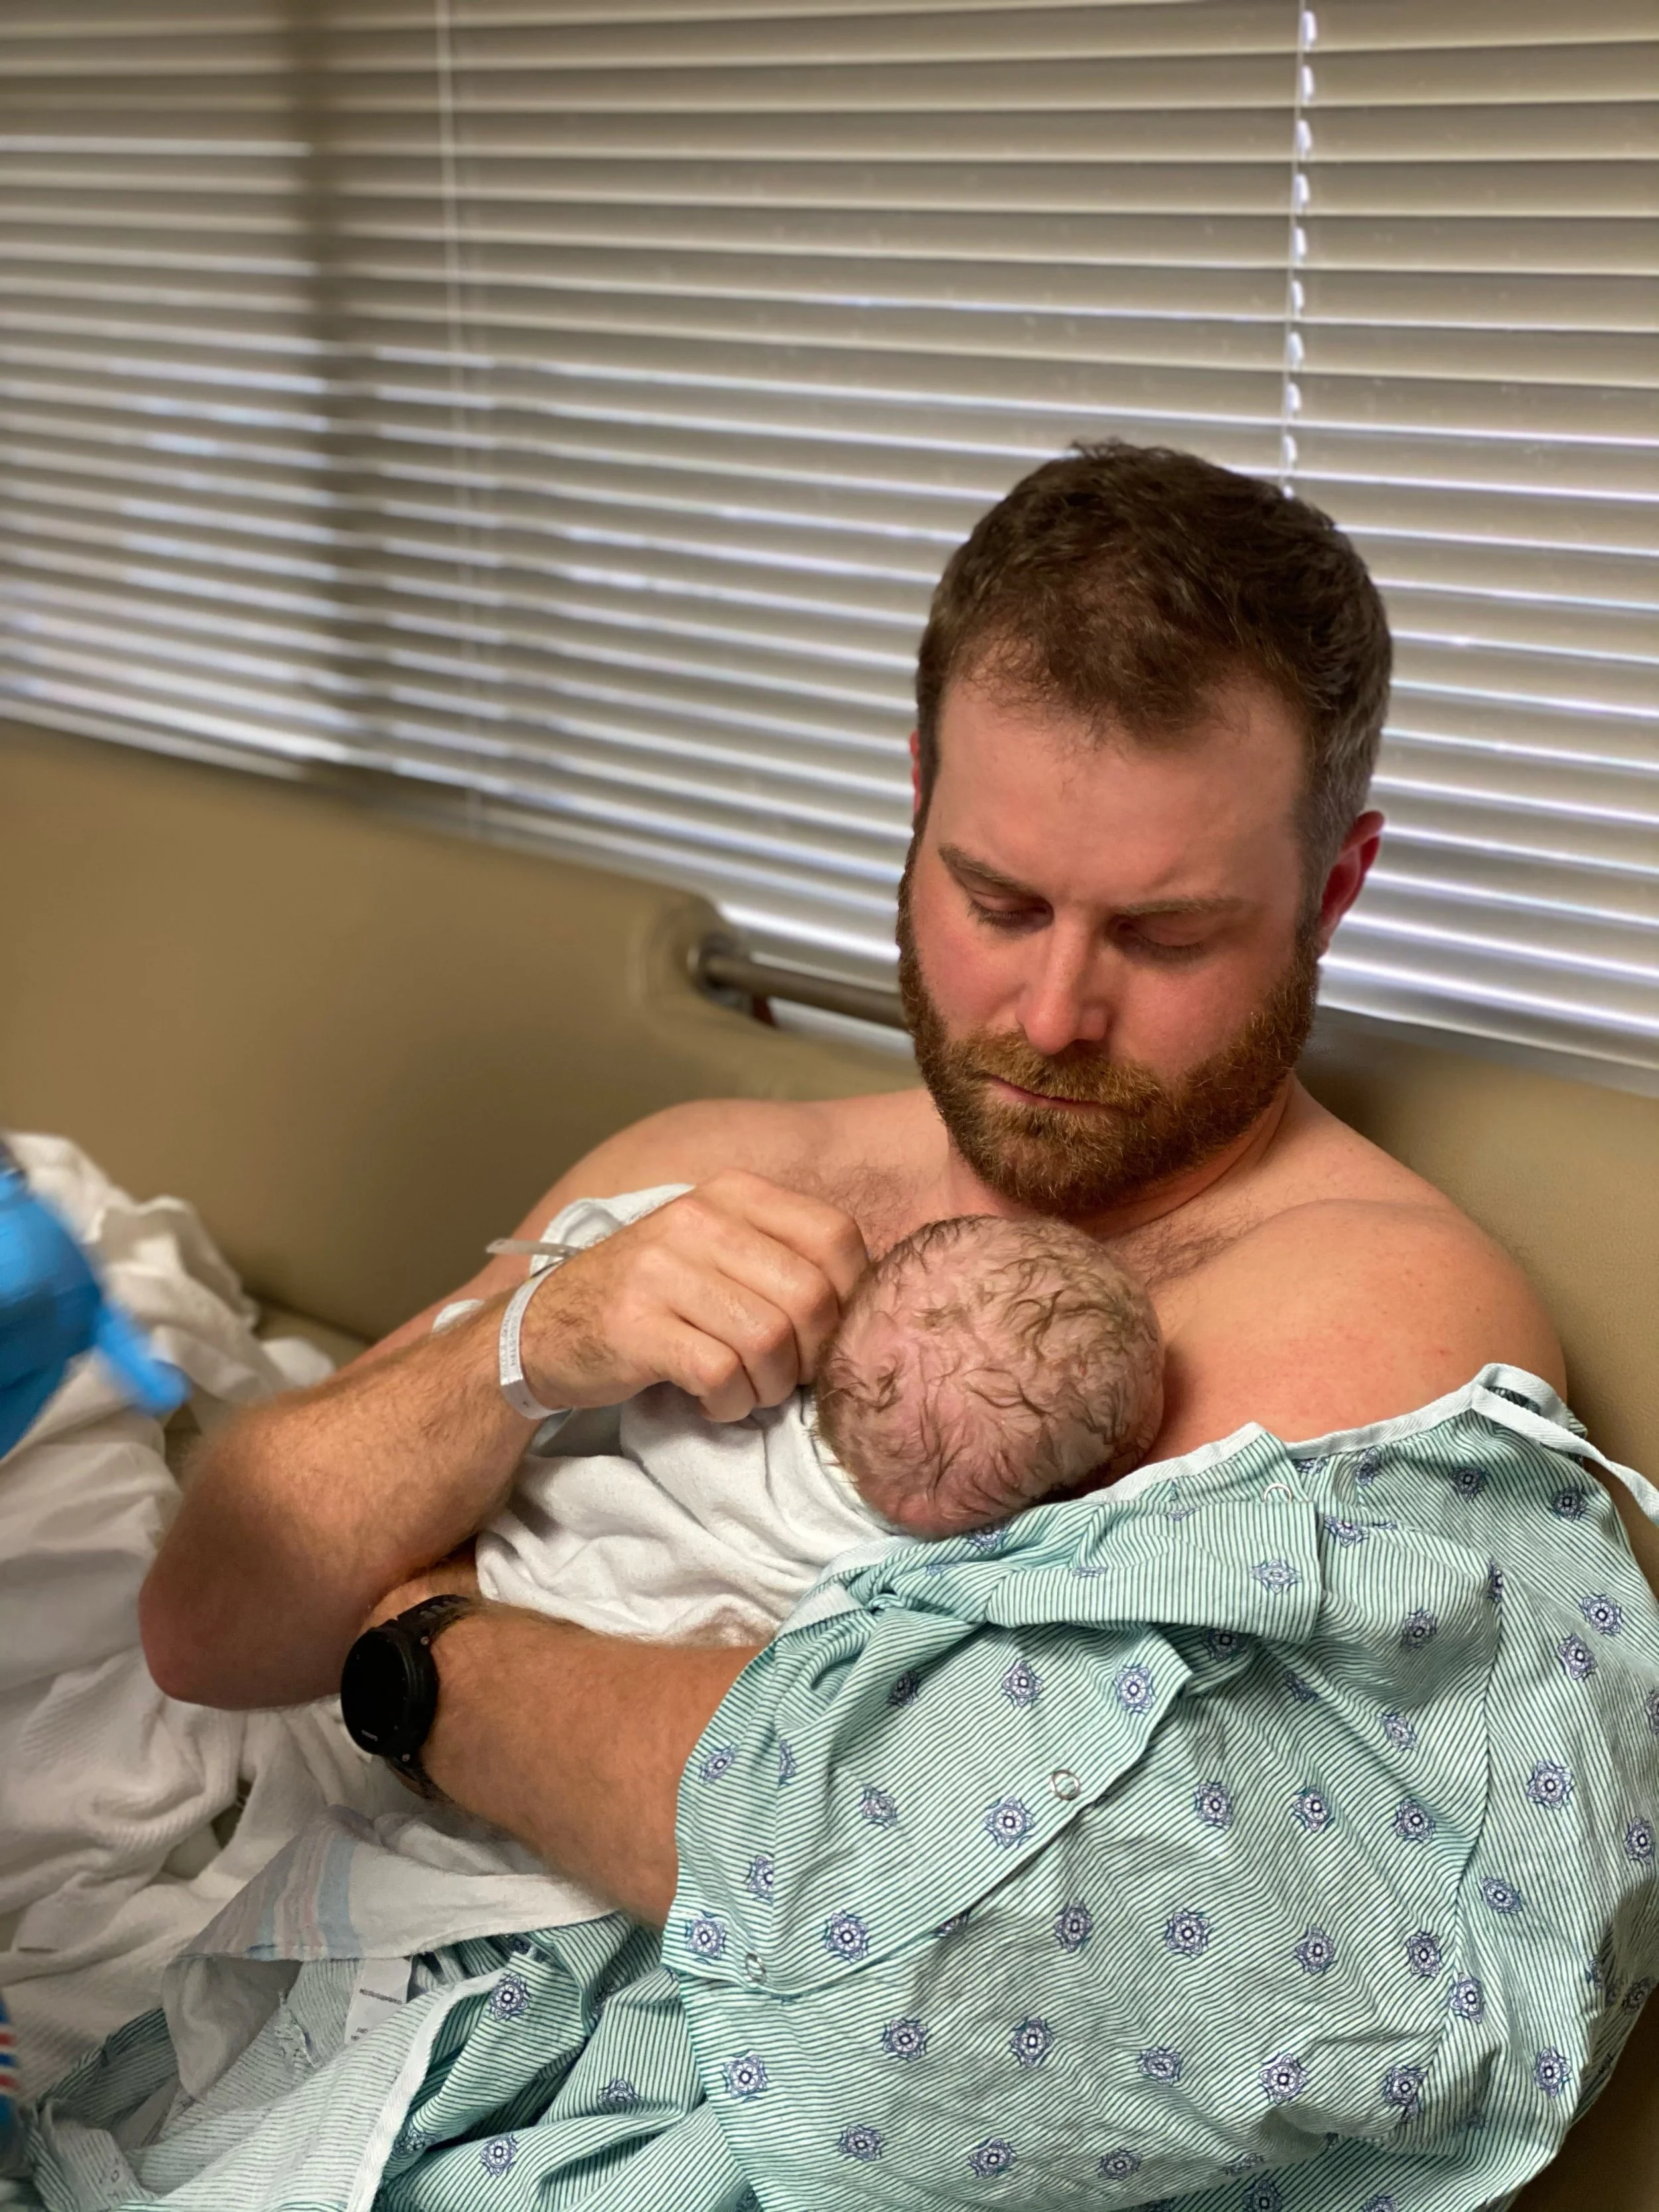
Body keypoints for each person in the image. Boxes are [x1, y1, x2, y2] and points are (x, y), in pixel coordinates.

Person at [121, 443, 1659, 2208]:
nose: (1050, 1010)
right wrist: (530, 1341)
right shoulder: (703, 1168)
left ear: (1331, 889)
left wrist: (413, 1648)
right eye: (996, 896)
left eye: (1162, 934)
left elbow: (944, 1922)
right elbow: (212, 1618)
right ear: (916, 793)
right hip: (340, 2057)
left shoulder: (1365, 1309)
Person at [474, 1197, 1163, 1651]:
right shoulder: (894, 1578)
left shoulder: (735, 1390)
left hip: (518, 1564)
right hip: (580, 1631)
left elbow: (591, 1266)